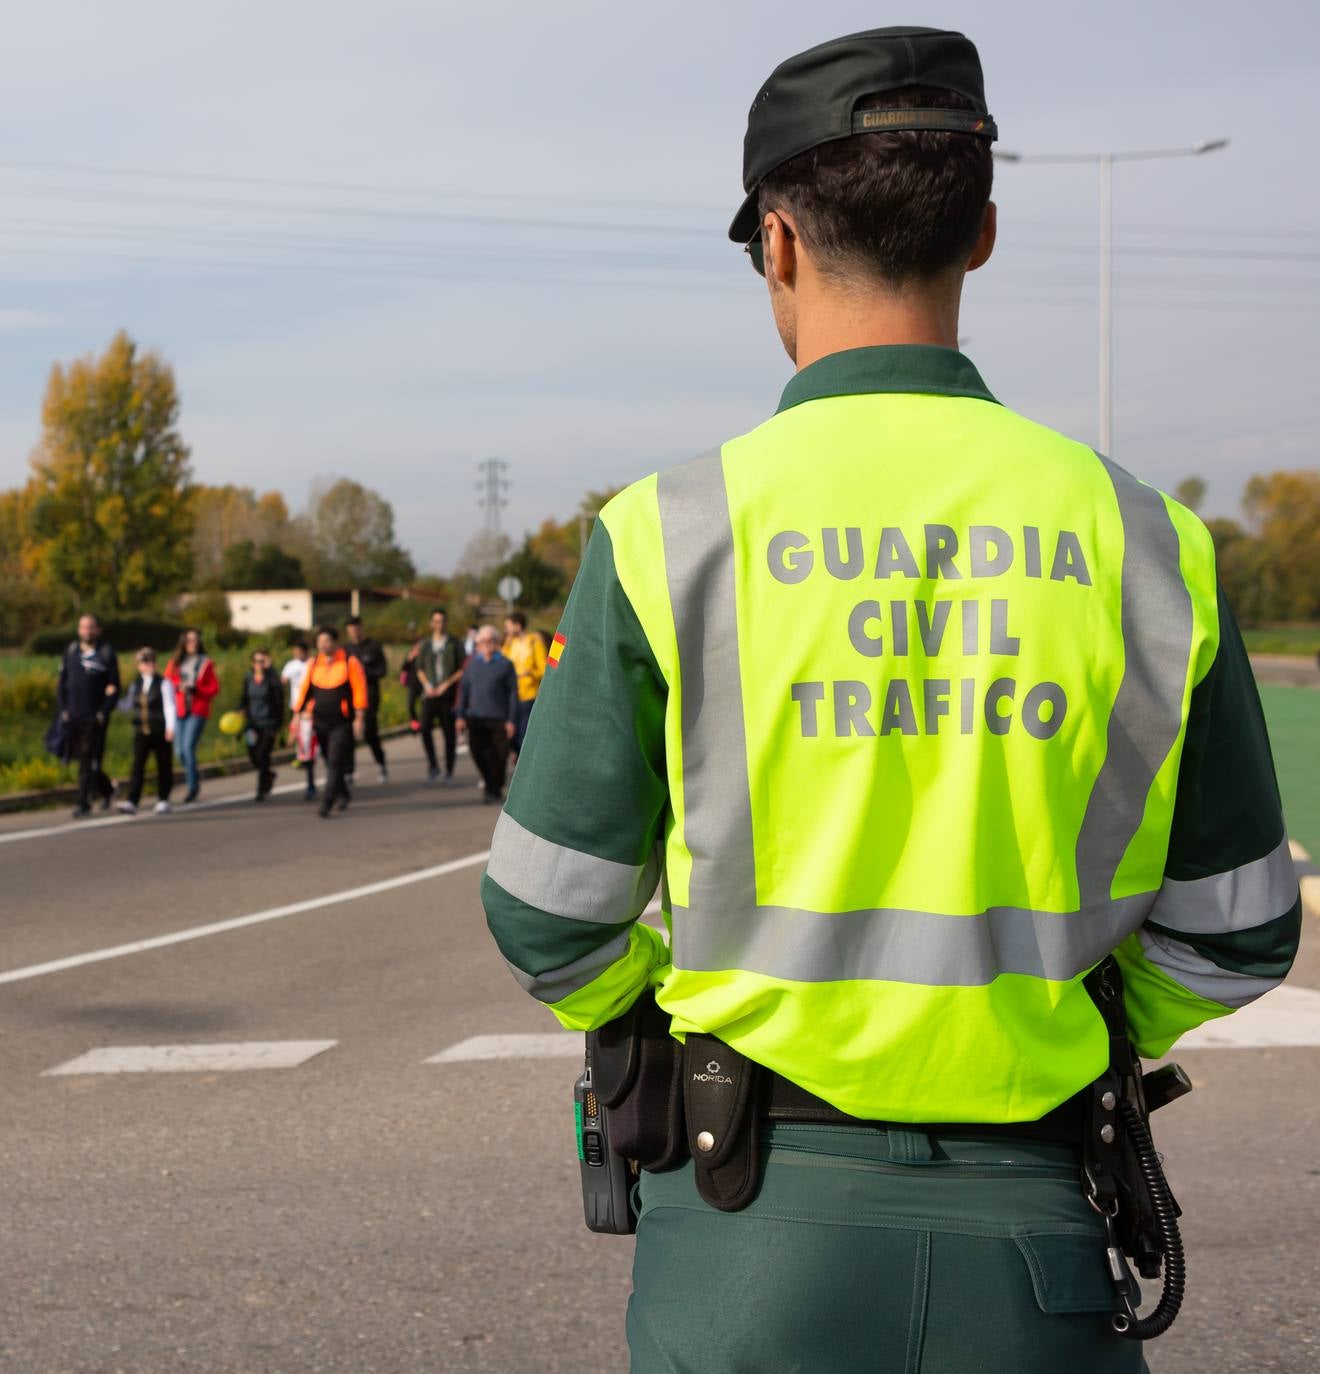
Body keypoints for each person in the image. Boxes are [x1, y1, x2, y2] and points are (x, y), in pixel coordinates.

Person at [480, 27, 1302, 1372]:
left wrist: (660, 1022)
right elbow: (1240, 928)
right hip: (1036, 1234)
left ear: (781, 244)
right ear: (981, 233)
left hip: (744, 1220)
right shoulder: (1147, 541)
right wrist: (1069, 1029)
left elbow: (547, 908)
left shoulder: (670, 530)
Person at [293, 624, 367, 819]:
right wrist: (297, 715)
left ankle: (327, 801)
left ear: (335, 642)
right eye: (320, 642)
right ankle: (343, 793)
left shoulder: (350, 662)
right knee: (329, 760)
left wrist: (359, 717)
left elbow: (359, 690)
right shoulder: (314, 663)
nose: (323, 645)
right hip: (320, 720)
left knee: (334, 760)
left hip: (341, 721)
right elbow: (304, 691)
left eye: (327, 641)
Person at [55, 613, 120, 818]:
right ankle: (107, 790)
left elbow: (114, 687)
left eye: (91, 627)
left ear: (98, 630)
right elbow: (62, 683)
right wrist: (63, 708)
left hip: (95, 718)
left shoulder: (105, 653)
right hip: (74, 715)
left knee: (87, 760)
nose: (87, 631)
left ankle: (83, 803)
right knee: (85, 760)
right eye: (83, 627)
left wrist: (103, 713)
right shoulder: (71, 651)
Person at [455, 625, 517, 803]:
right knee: (477, 752)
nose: (486, 645)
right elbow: (464, 691)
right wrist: (460, 715)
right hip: (475, 718)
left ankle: (493, 789)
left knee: (499, 755)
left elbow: (513, 693)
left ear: (497, 643)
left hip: (499, 717)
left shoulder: (505, 664)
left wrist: (511, 720)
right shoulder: (471, 665)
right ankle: (492, 785)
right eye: (482, 642)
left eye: (490, 641)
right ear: (477, 645)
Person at [116, 647, 175, 815]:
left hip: (159, 730)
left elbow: (170, 706)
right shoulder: (136, 684)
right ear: (139, 665)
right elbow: (127, 706)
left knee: (163, 765)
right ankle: (132, 800)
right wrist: (112, 700)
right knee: (137, 766)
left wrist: (171, 728)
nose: (149, 664)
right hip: (141, 731)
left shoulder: (164, 683)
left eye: (151, 661)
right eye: (145, 661)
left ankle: (164, 798)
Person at [164, 628, 219, 804]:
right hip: (180, 709)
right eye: (189, 640)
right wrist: (178, 685)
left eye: (195, 640)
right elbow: (166, 681)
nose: (192, 644)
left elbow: (214, 688)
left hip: (197, 709)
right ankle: (193, 775)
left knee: (188, 747)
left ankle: (192, 787)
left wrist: (197, 689)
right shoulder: (175, 662)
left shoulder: (205, 663)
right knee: (179, 751)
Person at [416, 608, 465, 785]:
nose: (439, 625)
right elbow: (419, 667)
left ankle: (449, 771)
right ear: (431, 623)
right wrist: (427, 685)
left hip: (447, 694)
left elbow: (462, 668)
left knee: (448, 733)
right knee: (425, 729)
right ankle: (433, 766)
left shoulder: (454, 643)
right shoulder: (426, 644)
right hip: (429, 693)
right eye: (436, 621)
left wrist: (447, 684)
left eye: (442, 621)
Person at [345, 615, 389, 784]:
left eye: (357, 628)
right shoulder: (345, 649)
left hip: (369, 698)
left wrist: (363, 672)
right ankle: (349, 771)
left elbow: (383, 671)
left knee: (370, 733)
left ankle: (381, 762)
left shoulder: (373, 646)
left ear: (361, 628)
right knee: (347, 735)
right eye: (351, 629)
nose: (354, 632)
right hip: (350, 698)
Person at [238, 648, 284, 802]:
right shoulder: (249, 678)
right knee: (253, 753)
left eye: (263, 661)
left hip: (268, 723)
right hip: (253, 724)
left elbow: (279, 701)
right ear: (253, 663)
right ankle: (268, 775)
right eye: (257, 661)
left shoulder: (272, 680)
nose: (260, 664)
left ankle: (261, 788)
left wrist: (278, 725)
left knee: (264, 754)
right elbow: (244, 698)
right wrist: (240, 711)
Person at [502, 611, 547, 757]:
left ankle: (525, 765)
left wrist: (530, 673)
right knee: (511, 737)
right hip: (512, 696)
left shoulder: (534, 641)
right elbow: (502, 663)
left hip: (529, 695)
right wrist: (507, 642)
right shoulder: (511, 643)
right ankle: (519, 757)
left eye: (508, 626)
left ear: (517, 625)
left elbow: (544, 669)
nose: (506, 630)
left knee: (523, 735)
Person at [281, 640, 317, 800]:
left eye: (299, 650)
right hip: (297, 708)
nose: (297, 654)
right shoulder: (291, 665)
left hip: (313, 710)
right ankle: (310, 782)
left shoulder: (313, 664)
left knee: (313, 746)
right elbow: (282, 681)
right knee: (305, 744)